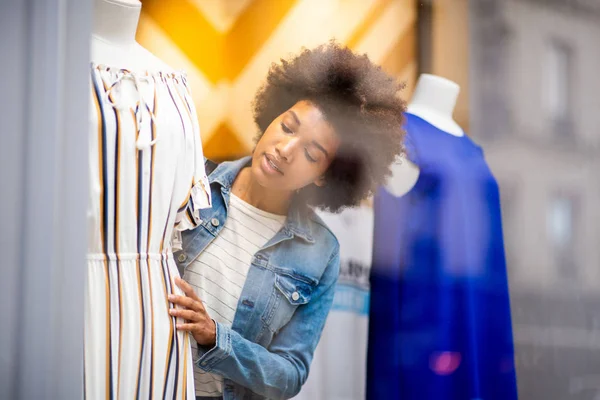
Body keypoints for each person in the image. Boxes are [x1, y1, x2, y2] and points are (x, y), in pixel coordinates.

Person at [168, 41, 406, 400]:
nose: (285, 149)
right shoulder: (189, 186)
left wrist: (215, 337)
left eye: (311, 153)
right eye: (288, 126)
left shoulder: (319, 252)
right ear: (273, 116)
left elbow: (289, 375)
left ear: (326, 175)